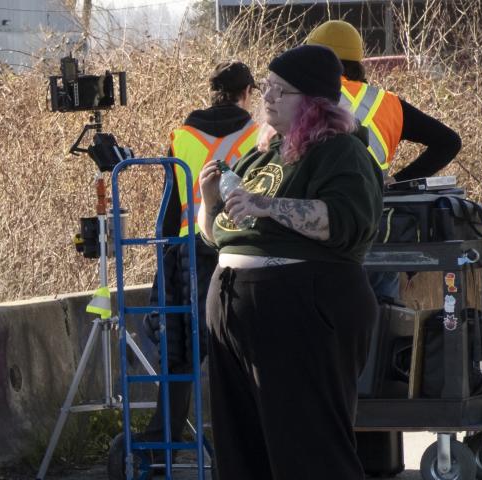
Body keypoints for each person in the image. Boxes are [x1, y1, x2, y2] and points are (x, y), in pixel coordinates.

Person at [195, 45, 382, 480]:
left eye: (282, 91)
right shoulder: (263, 153)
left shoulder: (340, 152)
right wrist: (210, 200)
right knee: (242, 450)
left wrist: (266, 206)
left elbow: (343, 221)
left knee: (308, 450)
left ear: (314, 102)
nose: (268, 98)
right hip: (236, 310)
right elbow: (215, 234)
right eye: (267, 88)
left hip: (300, 309)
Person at [142, 61, 260, 450]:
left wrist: (163, 262)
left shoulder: (182, 136)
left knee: (180, 351)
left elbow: (171, 206)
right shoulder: (258, 136)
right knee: (242, 347)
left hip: (183, 250)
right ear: (247, 92)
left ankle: (163, 442)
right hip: (234, 248)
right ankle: (246, 442)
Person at [304, 20, 462, 182]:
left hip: (318, 201)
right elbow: (449, 142)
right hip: (374, 204)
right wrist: (399, 181)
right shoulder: (388, 102)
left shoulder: (302, 95)